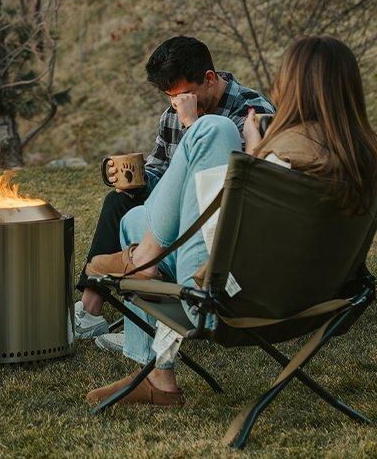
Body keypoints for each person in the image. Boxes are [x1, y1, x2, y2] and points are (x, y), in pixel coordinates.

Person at [84, 35, 377, 406]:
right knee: (132, 207)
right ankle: (157, 368)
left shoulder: (279, 141)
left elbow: (224, 215)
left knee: (198, 149)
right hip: (316, 295)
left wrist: (242, 148)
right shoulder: (373, 157)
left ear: (295, 86)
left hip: (231, 293)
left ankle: (140, 262)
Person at [74, 37, 275, 349]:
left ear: (209, 79)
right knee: (119, 200)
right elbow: (161, 169)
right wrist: (135, 180)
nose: (176, 105)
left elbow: (242, 191)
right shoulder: (172, 114)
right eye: (170, 97)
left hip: (214, 224)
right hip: (173, 210)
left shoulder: (253, 113)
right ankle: (90, 310)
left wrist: (193, 124)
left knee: (138, 221)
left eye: (183, 96)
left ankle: (148, 317)